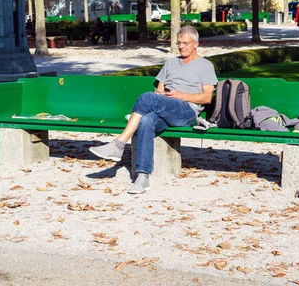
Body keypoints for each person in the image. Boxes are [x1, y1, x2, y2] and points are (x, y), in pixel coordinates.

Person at [89, 26, 218, 194]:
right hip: (165, 107)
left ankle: (119, 144)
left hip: (186, 112)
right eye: (178, 43)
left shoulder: (205, 66)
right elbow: (159, 90)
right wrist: (161, 94)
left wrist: (181, 96)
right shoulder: (171, 63)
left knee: (147, 97)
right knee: (146, 121)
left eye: (185, 43)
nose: (181, 47)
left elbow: (207, 97)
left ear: (196, 44)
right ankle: (143, 177)